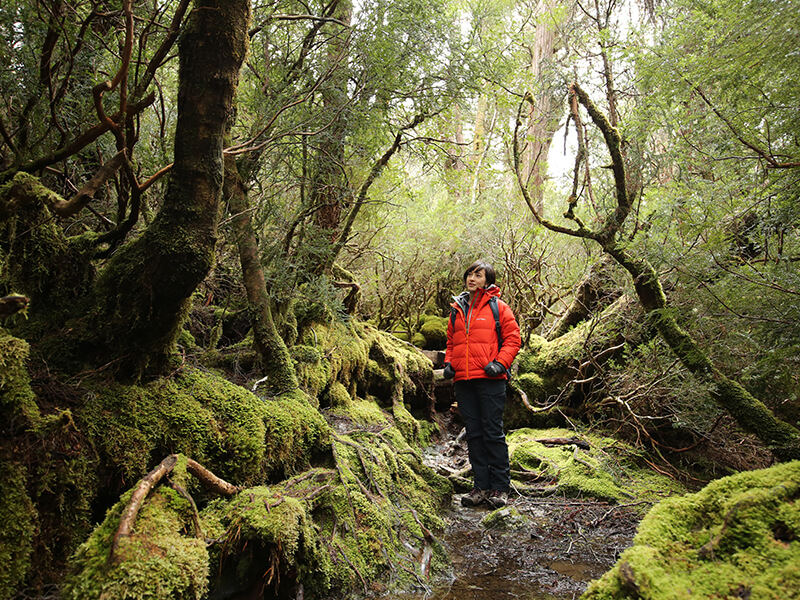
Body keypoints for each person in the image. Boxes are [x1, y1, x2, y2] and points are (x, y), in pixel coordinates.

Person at [443, 260, 521, 508]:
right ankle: (481, 486)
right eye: (469, 274)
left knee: (493, 433)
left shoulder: (499, 307)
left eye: (478, 274)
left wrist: (500, 363)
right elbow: (451, 342)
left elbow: (513, 339)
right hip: (464, 381)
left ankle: (500, 488)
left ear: (488, 281)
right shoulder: (457, 309)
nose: (472, 278)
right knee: (474, 435)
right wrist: (449, 363)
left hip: (490, 380)